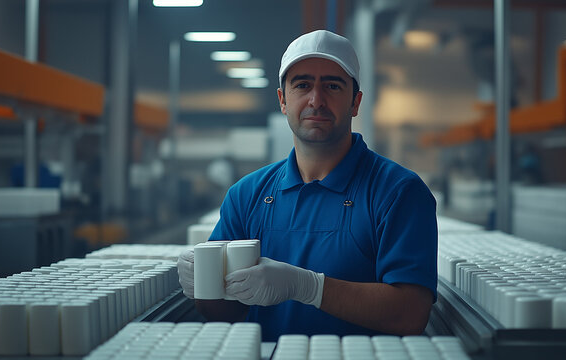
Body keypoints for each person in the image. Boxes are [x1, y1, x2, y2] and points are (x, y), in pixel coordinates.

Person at [177, 29, 438, 342]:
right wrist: (203, 288)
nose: (317, 100)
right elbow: (226, 313)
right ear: (283, 100)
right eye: (302, 85)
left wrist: (309, 288)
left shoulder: (398, 193)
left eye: (332, 85)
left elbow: (411, 315)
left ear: (355, 103)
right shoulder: (246, 196)